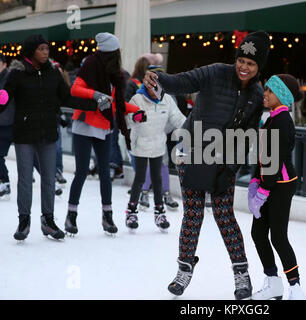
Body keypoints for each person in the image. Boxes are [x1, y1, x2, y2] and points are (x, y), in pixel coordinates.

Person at [144, 31, 270, 299]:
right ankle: (184, 269)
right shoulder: (215, 72)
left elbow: (246, 138)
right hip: (193, 151)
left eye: (251, 63)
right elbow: (182, 81)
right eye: (241, 60)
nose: (244, 67)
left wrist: (230, 170)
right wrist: (158, 76)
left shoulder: (257, 95)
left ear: (259, 67)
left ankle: (241, 274)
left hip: (224, 159)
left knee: (225, 216)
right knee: (193, 215)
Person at [0, 34, 98, 241]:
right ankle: (24, 221)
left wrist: (94, 104)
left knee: (49, 179)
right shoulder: (17, 73)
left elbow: (67, 98)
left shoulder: (53, 73)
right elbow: (5, 96)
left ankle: (48, 220)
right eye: (41, 49)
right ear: (31, 51)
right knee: (25, 179)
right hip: (25, 133)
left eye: (47, 48)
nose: (46, 52)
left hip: (47, 132)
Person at [64, 32, 146, 237]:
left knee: (104, 172)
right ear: (110, 51)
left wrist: (135, 111)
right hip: (85, 122)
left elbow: (117, 103)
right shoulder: (90, 65)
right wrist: (96, 94)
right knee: (82, 171)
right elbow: (75, 89)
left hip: (104, 125)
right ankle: (71, 215)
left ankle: (107, 216)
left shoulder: (116, 74)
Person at [248, 74, 306, 300]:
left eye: (271, 91)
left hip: (280, 185)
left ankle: (296, 287)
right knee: (258, 233)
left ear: (282, 95)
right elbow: (263, 157)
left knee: (278, 237)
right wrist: (255, 180)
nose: (265, 93)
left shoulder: (282, 121)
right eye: (266, 89)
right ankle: (273, 282)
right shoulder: (271, 118)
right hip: (269, 181)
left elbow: (275, 160)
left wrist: (262, 191)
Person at [125, 69, 186, 231]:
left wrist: (193, 128)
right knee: (139, 179)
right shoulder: (137, 99)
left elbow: (178, 119)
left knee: (157, 179)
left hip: (158, 145)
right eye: (153, 87)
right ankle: (131, 212)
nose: (156, 91)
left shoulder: (167, 100)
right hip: (140, 144)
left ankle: (159, 213)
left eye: (159, 87)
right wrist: (134, 117)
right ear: (147, 84)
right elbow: (126, 121)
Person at [0, 53, 13, 201]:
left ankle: (52, 179)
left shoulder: (9, 78)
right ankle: (5, 182)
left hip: (10, 123)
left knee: (32, 155)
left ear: (4, 63)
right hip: (2, 122)